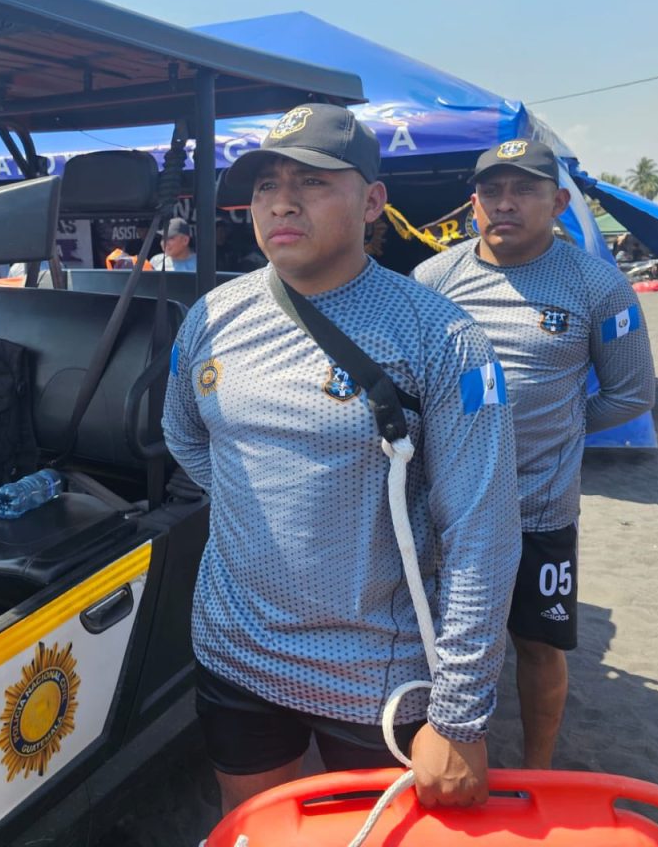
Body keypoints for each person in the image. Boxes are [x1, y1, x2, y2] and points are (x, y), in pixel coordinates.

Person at [163, 103, 521, 814]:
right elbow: (185, 435)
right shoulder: (210, 317)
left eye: (313, 180)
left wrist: (459, 718)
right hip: (236, 652)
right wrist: (259, 507)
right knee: (257, 826)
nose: (282, 202)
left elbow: (482, 532)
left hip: (378, 674)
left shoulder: (441, 336)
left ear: (373, 201)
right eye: (266, 184)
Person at [412, 139, 655, 769]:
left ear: (559, 201)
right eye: (492, 191)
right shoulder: (433, 280)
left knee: (538, 645)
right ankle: (435, 754)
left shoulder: (598, 285)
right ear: (473, 203)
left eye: (525, 189)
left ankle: (538, 771)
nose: (506, 203)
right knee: (431, 637)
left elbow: (632, 393)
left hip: (539, 508)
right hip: (444, 507)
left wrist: (561, 430)